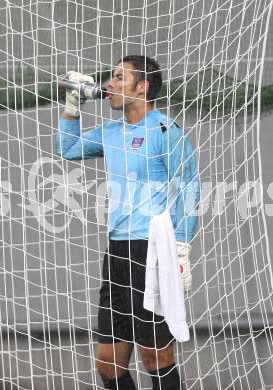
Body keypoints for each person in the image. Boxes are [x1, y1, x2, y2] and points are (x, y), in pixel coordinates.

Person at [55, 55, 199, 390]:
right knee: (107, 363)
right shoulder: (111, 131)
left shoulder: (166, 130)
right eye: (112, 77)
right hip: (118, 254)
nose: (110, 85)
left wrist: (181, 247)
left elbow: (190, 187)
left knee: (155, 358)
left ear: (142, 86)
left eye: (120, 78)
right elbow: (68, 148)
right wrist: (73, 103)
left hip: (153, 252)